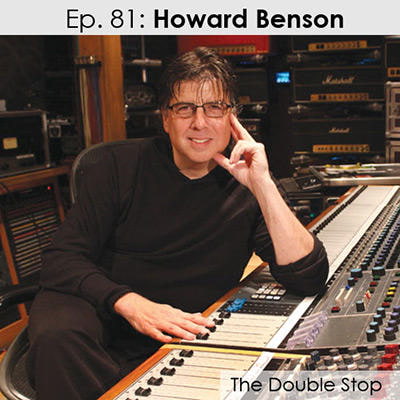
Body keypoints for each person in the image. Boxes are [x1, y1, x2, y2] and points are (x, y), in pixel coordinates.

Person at [26, 47, 328, 400]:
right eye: (184, 108)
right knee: (59, 333)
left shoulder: (248, 182)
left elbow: (308, 277)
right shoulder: (117, 167)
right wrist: (130, 302)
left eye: (214, 107)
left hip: (188, 332)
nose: (200, 122)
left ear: (232, 118)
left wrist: (263, 185)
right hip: (105, 318)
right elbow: (61, 259)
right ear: (165, 118)